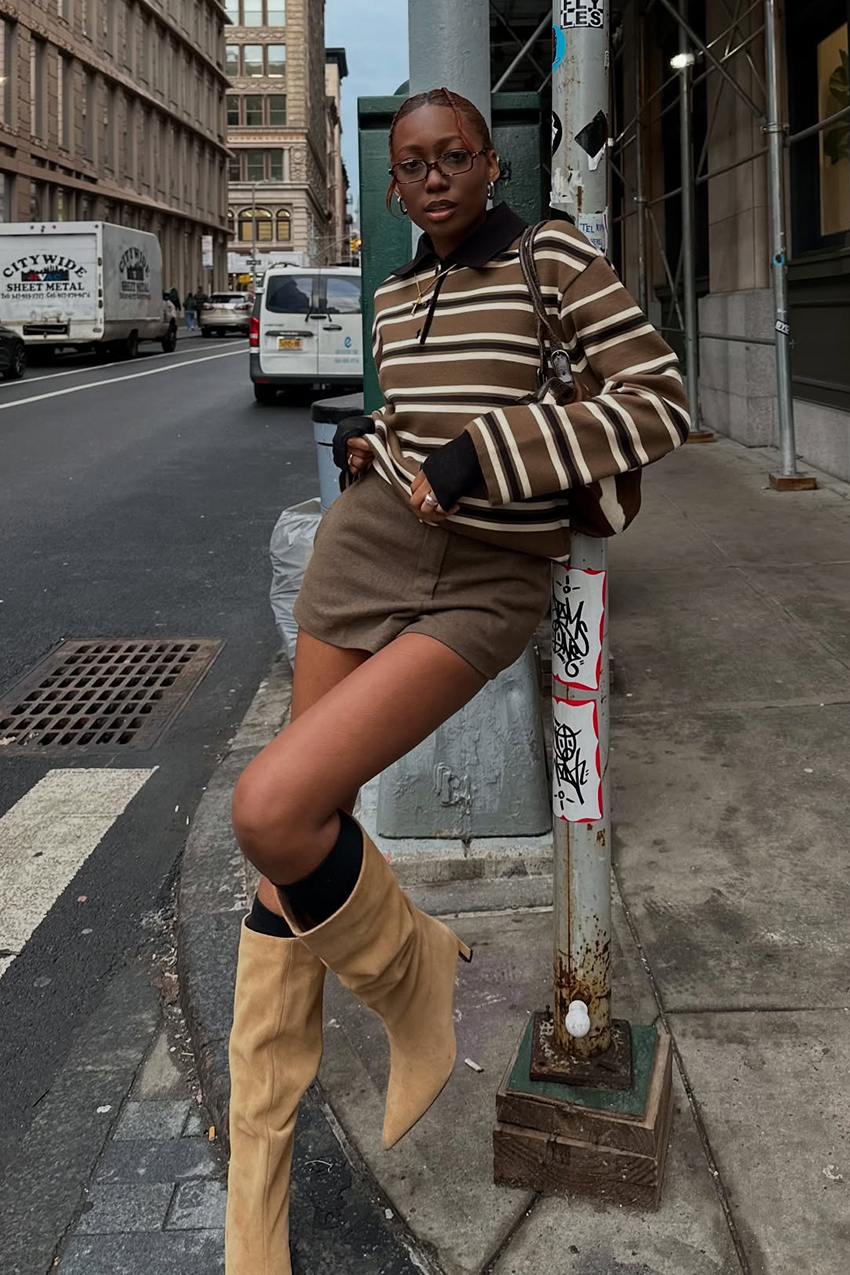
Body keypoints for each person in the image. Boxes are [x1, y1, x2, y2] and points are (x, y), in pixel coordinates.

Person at [224, 87, 690, 1273]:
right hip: (369, 542)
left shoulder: (551, 260)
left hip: (492, 572)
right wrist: (377, 442)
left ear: (489, 165)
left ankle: (417, 973)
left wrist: (485, 453)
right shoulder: (393, 291)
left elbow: (656, 400)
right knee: (286, 858)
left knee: (274, 809)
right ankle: (254, 1220)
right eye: (411, 164)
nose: (430, 178)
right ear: (393, 185)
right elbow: (416, 417)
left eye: (453, 157)